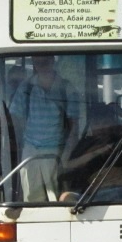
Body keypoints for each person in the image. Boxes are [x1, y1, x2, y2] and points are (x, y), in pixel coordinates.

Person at [8, 55, 80, 201]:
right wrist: (19, 145)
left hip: (55, 150)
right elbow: (14, 120)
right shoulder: (26, 87)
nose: (41, 63)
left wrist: (66, 156)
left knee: (56, 198)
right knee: (31, 199)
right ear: (33, 62)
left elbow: (74, 128)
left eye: (45, 60)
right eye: (37, 60)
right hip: (30, 149)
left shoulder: (66, 88)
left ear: (53, 61)